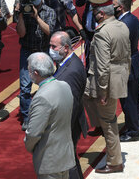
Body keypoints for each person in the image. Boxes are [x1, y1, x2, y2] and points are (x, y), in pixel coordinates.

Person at [83, 0, 130, 173]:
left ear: (101, 14)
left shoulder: (102, 32)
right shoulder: (121, 25)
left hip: (105, 82)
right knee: (84, 95)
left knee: (109, 123)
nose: (93, 15)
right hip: (117, 78)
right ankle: (99, 124)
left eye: (95, 12)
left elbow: (102, 66)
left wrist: (103, 92)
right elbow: (128, 54)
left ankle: (115, 162)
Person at [24, 52, 75, 179]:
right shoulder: (65, 86)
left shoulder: (41, 97)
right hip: (65, 155)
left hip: (50, 160)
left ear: (36, 73)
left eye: (29, 70)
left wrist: (29, 146)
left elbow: (33, 134)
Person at [15, 0, 56, 130]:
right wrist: (20, 15)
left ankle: (47, 114)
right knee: (25, 87)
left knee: (47, 85)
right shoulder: (24, 10)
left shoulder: (49, 11)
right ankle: (26, 117)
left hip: (43, 51)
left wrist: (37, 17)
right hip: (27, 51)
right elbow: (21, 33)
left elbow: (49, 31)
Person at [49, 31, 88, 179]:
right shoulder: (67, 63)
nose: (51, 49)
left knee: (67, 162)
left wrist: (61, 131)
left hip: (68, 125)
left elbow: (70, 104)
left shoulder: (71, 72)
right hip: (68, 124)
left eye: (54, 46)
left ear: (66, 48)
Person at [75, 0, 128, 73]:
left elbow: (111, 5)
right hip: (89, 33)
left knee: (103, 61)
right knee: (89, 61)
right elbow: (78, 3)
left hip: (104, 32)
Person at [113, 0, 139, 142]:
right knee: (133, 99)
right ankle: (137, 125)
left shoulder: (123, 23)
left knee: (128, 100)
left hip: (126, 66)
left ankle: (133, 131)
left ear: (121, 7)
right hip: (132, 63)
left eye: (114, 5)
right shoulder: (132, 19)